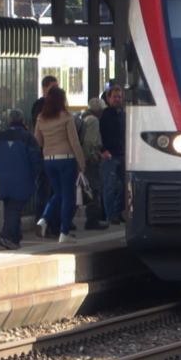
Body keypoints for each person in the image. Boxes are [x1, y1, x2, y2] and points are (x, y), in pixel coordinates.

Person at [0, 109, 43, 250]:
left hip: (3, 178)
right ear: (23, 121)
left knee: (10, 209)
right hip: (22, 178)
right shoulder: (28, 138)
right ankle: (7, 237)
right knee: (15, 210)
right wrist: (33, 175)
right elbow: (36, 160)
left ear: (8, 121)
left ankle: (15, 238)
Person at [33, 85, 85, 243]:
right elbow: (74, 142)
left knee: (58, 194)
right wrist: (82, 163)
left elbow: (38, 140)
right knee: (68, 197)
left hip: (49, 160)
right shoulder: (67, 117)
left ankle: (44, 219)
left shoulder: (41, 118)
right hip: (66, 159)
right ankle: (64, 233)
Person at [99, 85, 126, 225]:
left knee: (127, 185)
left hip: (122, 154)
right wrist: (103, 150)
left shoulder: (123, 114)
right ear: (108, 98)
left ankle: (116, 210)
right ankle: (110, 215)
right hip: (109, 155)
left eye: (119, 97)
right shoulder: (103, 115)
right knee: (109, 187)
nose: (117, 99)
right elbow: (99, 135)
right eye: (115, 97)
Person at [31, 75, 58, 216]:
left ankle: (53, 222)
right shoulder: (40, 106)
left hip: (55, 152)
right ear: (44, 88)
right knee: (45, 189)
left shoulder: (56, 106)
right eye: (53, 88)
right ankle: (42, 221)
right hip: (44, 153)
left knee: (54, 190)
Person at [80, 97, 109, 230]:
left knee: (80, 189)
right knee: (94, 188)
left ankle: (67, 221)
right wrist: (93, 156)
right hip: (90, 160)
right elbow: (90, 141)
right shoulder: (93, 120)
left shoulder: (82, 118)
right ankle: (92, 221)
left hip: (81, 159)